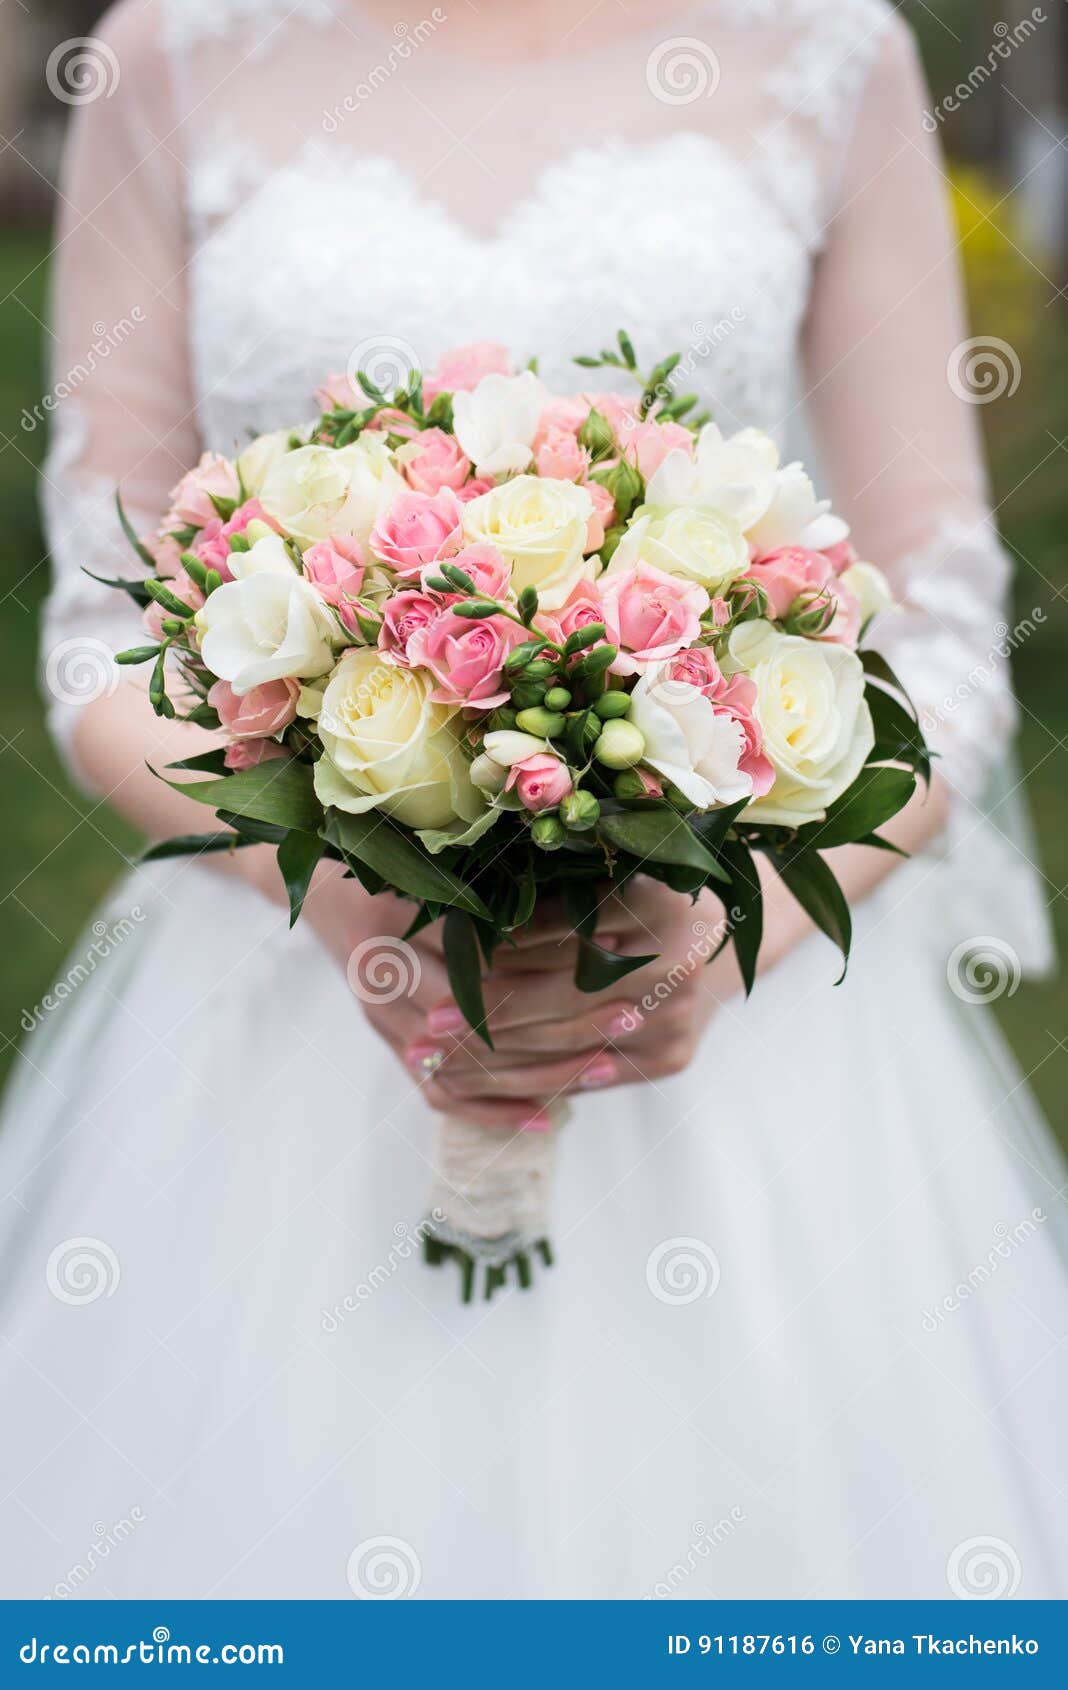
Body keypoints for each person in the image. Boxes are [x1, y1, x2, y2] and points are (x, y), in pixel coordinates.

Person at [1, 0, 1064, 1600]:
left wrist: (721, 942)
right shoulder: (173, 48)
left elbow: (944, 628)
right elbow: (98, 636)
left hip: (752, 1025)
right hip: (287, 994)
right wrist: (357, 887)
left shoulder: (827, 46)